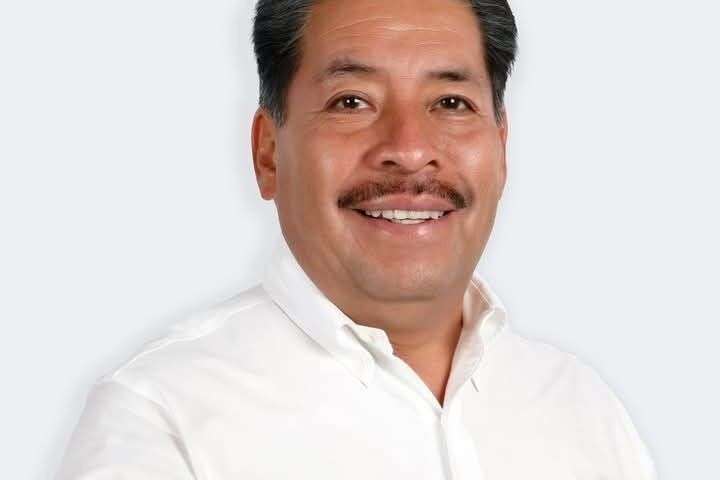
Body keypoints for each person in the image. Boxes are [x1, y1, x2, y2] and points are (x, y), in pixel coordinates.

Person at [56, 0, 658, 478]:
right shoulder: (161, 419)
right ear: (268, 153)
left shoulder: (584, 411)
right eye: (352, 102)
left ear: (501, 149)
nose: (409, 149)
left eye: (451, 102)